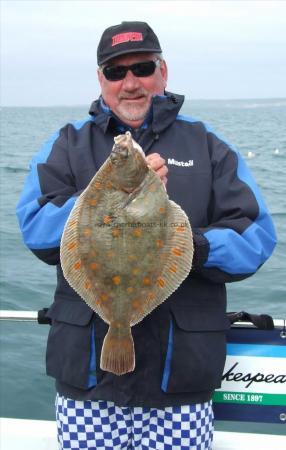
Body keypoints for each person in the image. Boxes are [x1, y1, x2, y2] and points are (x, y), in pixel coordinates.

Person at [17, 21, 277, 450]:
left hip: (180, 380)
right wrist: (103, 199)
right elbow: (36, 227)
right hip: (88, 380)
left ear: (164, 71)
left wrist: (186, 247)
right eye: (116, 72)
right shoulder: (67, 143)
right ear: (101, 80)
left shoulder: (207, 144)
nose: (130, 82)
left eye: (142, 67)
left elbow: (256, 237)